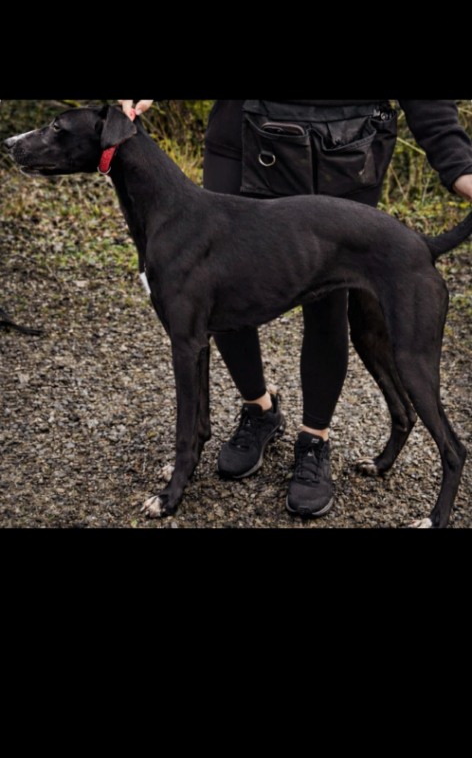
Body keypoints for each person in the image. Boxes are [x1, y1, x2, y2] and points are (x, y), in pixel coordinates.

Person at [118, 99, 472, 518]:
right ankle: (258, 412)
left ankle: (314, 440)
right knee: (220, 301)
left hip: (344, 141)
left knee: (333, 313)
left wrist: (460, 166)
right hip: (242, 131)